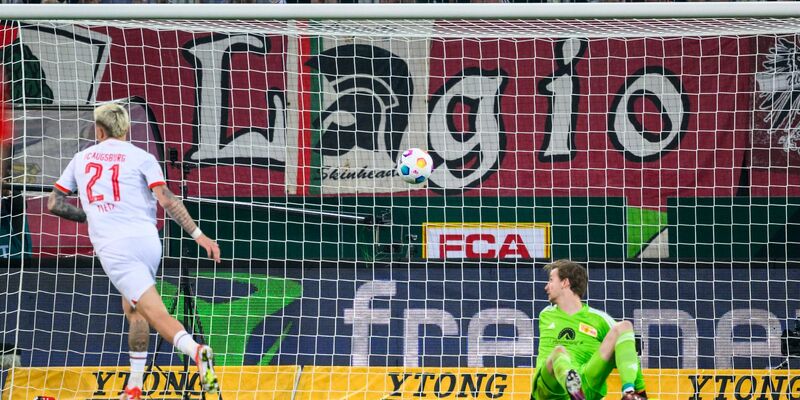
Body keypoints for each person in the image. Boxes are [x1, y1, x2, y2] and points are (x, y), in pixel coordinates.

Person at [47, 103, 221, 400]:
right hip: (148, 242)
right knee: (133, 309)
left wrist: (87, 215)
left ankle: (197, 351)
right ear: (126, 130)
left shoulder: (81, 158)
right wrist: (199, 234)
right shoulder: (144, 157)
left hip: (116, 248)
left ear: (98, 130)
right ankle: (135, 386)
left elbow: (54, 203)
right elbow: (166, 200)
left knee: (155, 313)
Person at [532, 259, 647, 400]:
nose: (546, 287)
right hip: (549, 389)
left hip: (586, 384)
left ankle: (628, 392)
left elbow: (628, 348)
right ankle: (572, 387)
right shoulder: (546, 314)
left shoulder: (599, 319)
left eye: (551, 280)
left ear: (565, 283)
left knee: (624, 327)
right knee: (558, 352)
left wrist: (641, 391)